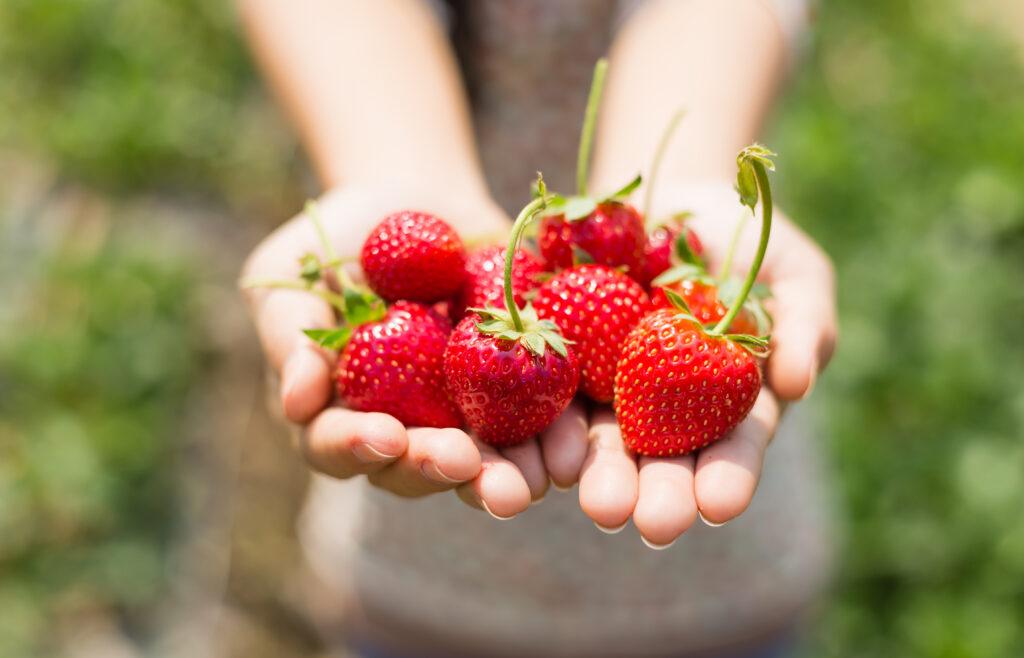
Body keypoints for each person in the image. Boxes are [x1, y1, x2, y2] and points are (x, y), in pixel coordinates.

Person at [238, 1, 838, 656]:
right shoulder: (473, 319)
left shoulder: (688, 319)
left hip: (713, 589)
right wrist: (397, 175)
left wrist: (686, 172)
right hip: (418, 578)